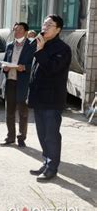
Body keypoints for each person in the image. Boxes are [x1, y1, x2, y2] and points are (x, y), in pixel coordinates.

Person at [28, 15, 71, 182]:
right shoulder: (41, 44)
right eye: (44, 23)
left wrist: (40, 51)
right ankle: (46, 162)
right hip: (39, 98)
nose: (44, 27)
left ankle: (52, 168)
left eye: (49, 25)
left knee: (51, 135)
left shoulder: (62, 49)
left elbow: (52, 69)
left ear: (58, 29)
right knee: (41, 133)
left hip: (52, 100)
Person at [1, 22, 36, 148]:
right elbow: (5, 61)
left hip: (23, 83)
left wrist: (25, 67)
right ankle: (10, 137)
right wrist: (4, 68)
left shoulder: (32, 46)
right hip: (10, 82)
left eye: (20, 29)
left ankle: (21, 138)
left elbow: (35, 65)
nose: (17, 32)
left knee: (23, 113)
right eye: (15, 30)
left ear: (26, 32)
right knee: (9, 112)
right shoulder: (10, 46)